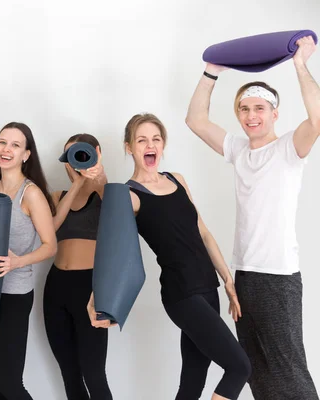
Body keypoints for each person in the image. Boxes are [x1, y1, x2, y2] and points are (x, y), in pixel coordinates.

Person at [185, 36, 320, 400]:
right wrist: (212, 71)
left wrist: (300, 64)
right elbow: (195, 120)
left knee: (288, 367)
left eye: (259, 108)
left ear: (274, 113)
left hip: (278, 275)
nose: (251, 116)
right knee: (255, 368)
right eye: (244, 109)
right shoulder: (238, 150)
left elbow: (318, 116)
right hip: (244, 274)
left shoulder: (290, 148)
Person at [90, 113, 251, 400]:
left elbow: (203, 233)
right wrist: (99, 297)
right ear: (129, 147)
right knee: (239, 367)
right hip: (181, 294)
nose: (150, 145)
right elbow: (112, 251)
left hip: (207, 287)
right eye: (141, 140)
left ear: (163, 144)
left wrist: (227, 280)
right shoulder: (129, 195)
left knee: (192, 381)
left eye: (156, 139)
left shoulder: (177, 180)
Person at [0, 122, 57, 400]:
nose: (6, 149)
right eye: (2, 142)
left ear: (26, 155)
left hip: (14, 295)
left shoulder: (31, 194)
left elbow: (50, 246)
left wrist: (18, 262)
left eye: (15, 145)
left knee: (10, 386)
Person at [44, 133, 112, 400]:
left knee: (94, 374)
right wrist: (77, 183)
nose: (76, 161)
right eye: (70, 156)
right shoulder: (57, 196)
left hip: (90, 288)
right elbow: (50, 230)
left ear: (96, 152)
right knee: (69, 374)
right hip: (57, 288)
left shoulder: (106, 192)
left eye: (82, 153)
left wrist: (97, 175)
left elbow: (119, 214)